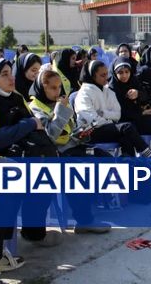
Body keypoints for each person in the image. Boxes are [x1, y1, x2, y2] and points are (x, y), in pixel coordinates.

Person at [0, 59, 62, 254]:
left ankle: (34, 231)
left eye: (10, 72)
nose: (11, 78)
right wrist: (28, 125)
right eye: (4, 75)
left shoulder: (15, 98)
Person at [28, 69, 112, 234]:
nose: (57, 91)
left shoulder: (59, 103)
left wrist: (82, 133)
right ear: (41, 87)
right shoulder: (35, 109)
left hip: (73, 147)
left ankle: (92, 203)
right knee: (78, 171)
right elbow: (49, 136)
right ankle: (84, 220)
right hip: (56, 154)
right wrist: (61, 110)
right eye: (52, 88)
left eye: (59, 87)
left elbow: (71, 130)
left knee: (104, 158)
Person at [74, 60, 151, 158]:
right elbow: (91, 119)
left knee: (125, 136)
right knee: (126, 127)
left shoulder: (107, 90)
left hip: (106, 128)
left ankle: (129, 164)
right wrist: (109, 121)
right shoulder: (84, 93)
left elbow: (117, 114)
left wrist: (103, 114)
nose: (106, 78)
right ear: (93, 76)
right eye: (102, 75)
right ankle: (150, 156)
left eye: (107, 74)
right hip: (89, 133)